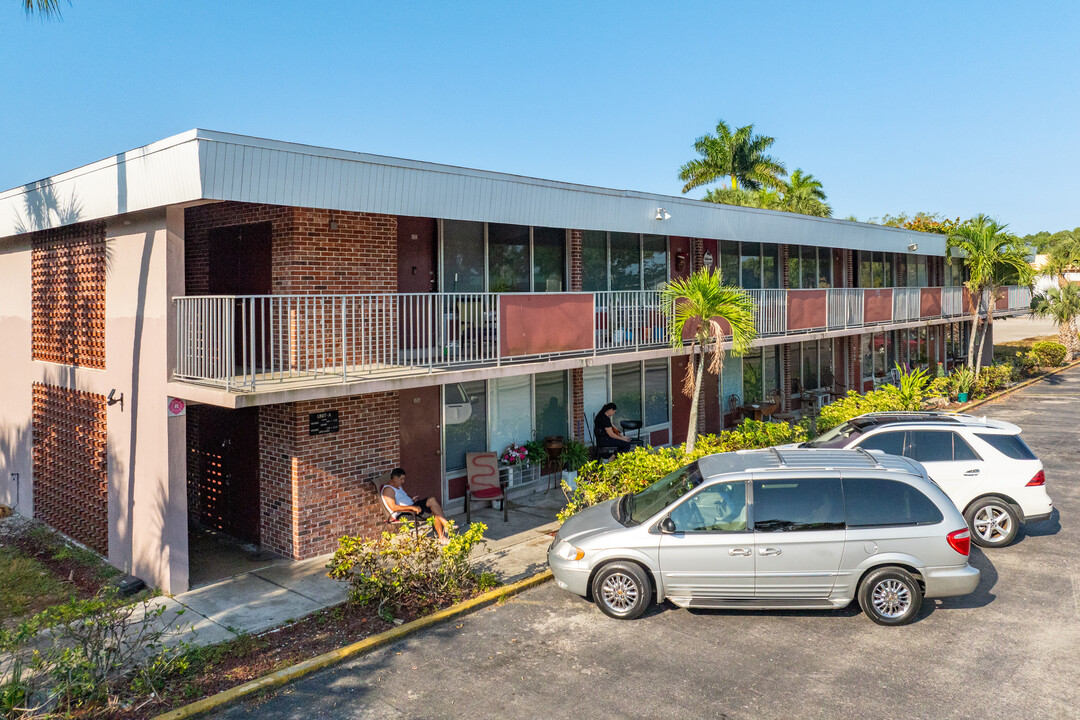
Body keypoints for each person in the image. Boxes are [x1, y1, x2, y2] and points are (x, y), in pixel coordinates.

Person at [382, 468, 451, 543]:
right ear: (395, 478)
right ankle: (442, 538)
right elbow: (394, 507)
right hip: (404, 513)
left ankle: (446, 524)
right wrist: (412, 507)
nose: (403, 481)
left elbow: (404, 496)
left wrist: (412, 498)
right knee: (434, 514)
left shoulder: (398, 486)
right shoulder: (388, 490)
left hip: (412, 505)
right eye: (401, 479)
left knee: (432, 500)